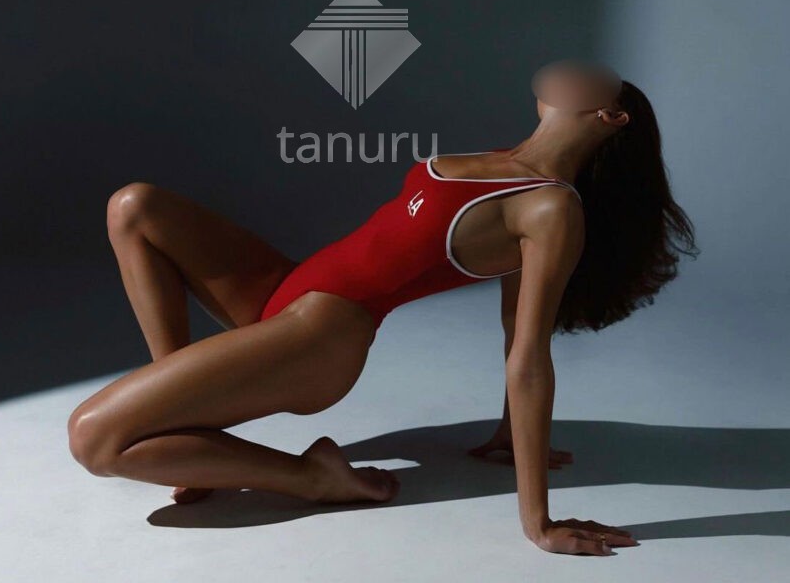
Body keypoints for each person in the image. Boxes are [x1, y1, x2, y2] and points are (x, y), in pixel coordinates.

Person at [67, 63, 696, 557]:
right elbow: (510, 313)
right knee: (134, 206)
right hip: (289, 289)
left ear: (610, 116)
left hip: (320, 335)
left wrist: (540, 522)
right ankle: (189, 426)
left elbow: (526, 348)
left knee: (94, 440)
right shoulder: (506, 160)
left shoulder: (551, 208)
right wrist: (505, 433)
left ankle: (313, 477)